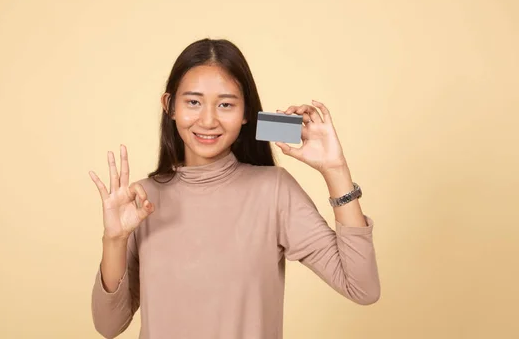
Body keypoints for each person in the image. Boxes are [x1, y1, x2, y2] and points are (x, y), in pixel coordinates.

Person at [88, 38, 380, 339]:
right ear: (169, 106)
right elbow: (108, 326)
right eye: (193, 102)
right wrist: (114, 240)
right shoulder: (141, 200)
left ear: (245, 114)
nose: (208, 119)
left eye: (225, 104)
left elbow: (362, 287)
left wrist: (336, 171)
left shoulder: (273, 190)